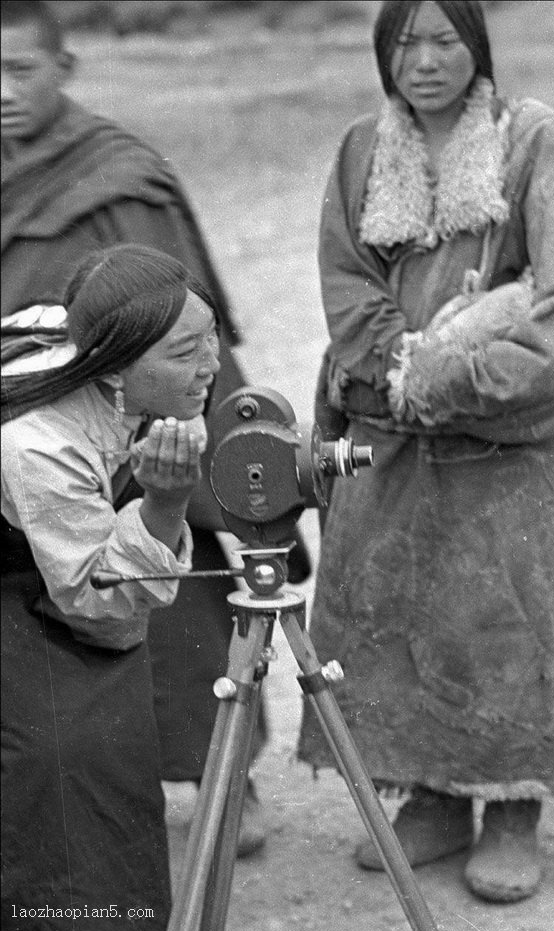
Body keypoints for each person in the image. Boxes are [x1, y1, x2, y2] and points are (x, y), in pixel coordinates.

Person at [297, 0, 554, 904]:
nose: (425, 60)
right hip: (395, 431)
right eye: (405, 42)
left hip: (507, 447)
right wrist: (402, 371)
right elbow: (346, 282)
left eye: (446, 40)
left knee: (510, 628)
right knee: (406, 617)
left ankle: (518, 810)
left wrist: (463, 378)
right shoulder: (361, 154)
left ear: (478, 49)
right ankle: (435, 793)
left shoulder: (536, 143)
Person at [0, 0, 310, 868]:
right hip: (38, 429)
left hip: (148, 422)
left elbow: (185, 333)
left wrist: (188, 449)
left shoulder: (117, 177)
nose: (2, 92)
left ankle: (226, 772)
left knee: (178, 588)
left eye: (21, 70)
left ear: (64, 69)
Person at [1, 243, 220, 931]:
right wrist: (165, 504)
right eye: (187, 352)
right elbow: (96, 592)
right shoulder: (39, 444)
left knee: (117, 754)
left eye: (211, 336)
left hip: (54, 571)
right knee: (60, 773)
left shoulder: (97, 336)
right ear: (117, 366)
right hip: (27, 589)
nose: (212, 363)